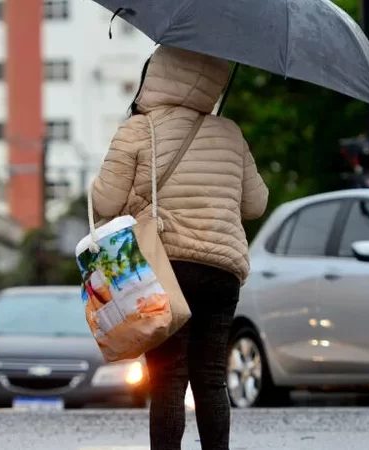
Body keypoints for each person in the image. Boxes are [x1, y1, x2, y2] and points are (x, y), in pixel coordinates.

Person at [91, 46, 268, 450]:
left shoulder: (140, 129)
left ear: (156, 74)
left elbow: (105, 202)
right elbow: (256, 205)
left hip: (165, 266)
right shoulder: (230, 132)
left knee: (168, 376)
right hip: (223, 271)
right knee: (210, 376)